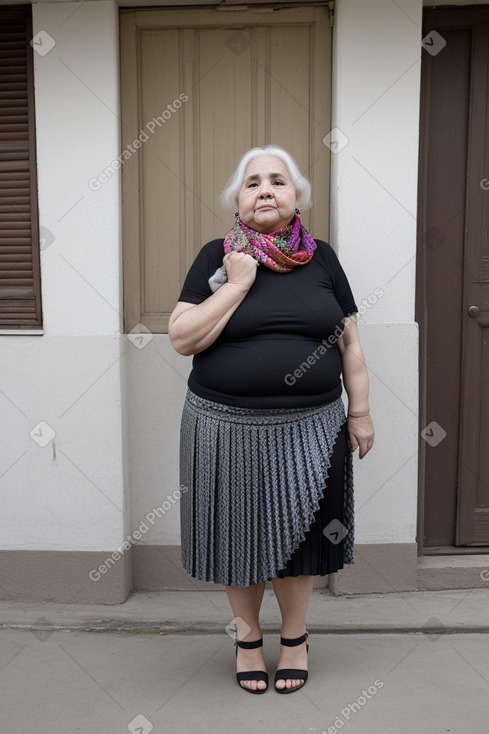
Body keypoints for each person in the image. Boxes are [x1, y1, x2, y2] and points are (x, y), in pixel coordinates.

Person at [169, 144, 374, 695]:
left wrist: (361, 412)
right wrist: (237, 283)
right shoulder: (218, 255)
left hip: (314, 427)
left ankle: (295, 641)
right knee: (238, 539)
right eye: (253, 181)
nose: (265, 189)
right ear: (237, 200)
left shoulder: (323, 258)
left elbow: (350, 341)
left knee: (303, 540)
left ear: (296, 196)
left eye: (278, 181)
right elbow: (183, 338)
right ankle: (246, 643)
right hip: (223, 426)